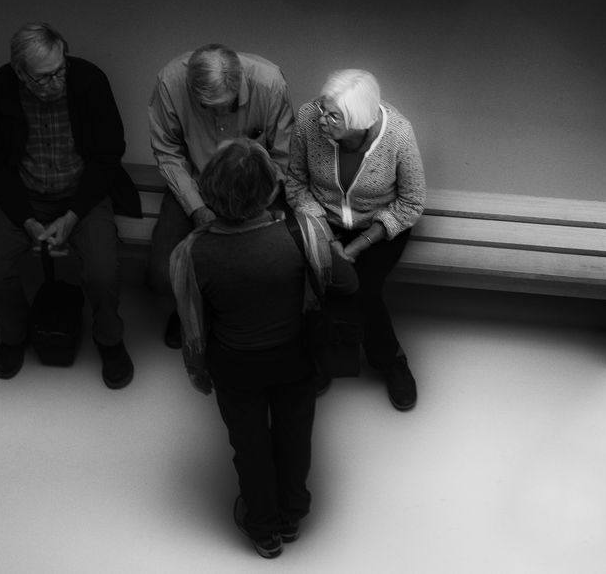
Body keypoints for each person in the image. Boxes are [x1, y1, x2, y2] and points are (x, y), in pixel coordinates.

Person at [170, 139, 357, 558]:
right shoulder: (303, 233)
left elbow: (192, 319)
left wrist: (199, 367)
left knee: (249, 445)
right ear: (271, 191)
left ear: (207, 191)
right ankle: (292, 515)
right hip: (295, 357)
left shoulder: (193, 252)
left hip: (234, 367)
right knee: (295, 436)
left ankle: (264, 530)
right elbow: (348, 285)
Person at [0, 23, 141, 388]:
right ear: (20, 73)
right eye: (45, 78)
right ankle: (15, 335)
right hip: (23, 193)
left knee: (102, 271)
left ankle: (109, 340)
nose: (58, 82)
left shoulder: (90, 81)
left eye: (61, 70)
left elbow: (109, 154)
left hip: (83, 193)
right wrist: (28, 221)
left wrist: (74, 214)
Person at [285, 69, 426, 411]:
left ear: (360, 122)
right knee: (308, 282)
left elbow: (411, 202)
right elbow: (295, 184)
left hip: (381, 226)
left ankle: (390, 359)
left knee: (362, 290)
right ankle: (323, 355)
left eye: (333, 116)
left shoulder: (398, 135)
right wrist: (327, 238)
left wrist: (358, 245)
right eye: (323, 107)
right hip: (322, 220)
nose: (321, 119)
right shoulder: (307, 120)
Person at [148, 43, 295, 349]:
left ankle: (241, 316)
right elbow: (169, 154)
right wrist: (198, 209)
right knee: (162, 273)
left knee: (281, 261)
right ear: (191, 88)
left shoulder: (270, 82)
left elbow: (283, 157)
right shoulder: (169, 81)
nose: (220, 114)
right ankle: (193, 311)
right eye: (209, 108)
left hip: (256, 187)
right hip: (197, 182)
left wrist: (255, 207)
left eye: (227, 106)